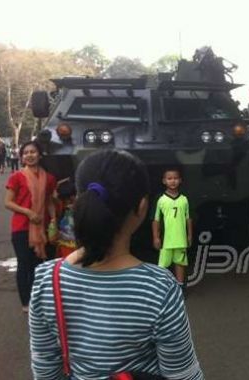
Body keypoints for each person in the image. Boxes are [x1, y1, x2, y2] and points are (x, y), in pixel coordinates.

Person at [29, 150, 204, 379]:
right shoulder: (159, 287)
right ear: (142, 207)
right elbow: (182, 374)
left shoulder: (46, 279)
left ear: (80, 199)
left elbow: (45, 370)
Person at [4, 141, 57, 313]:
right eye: (25, 153)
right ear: (22, 157)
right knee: (24, 264)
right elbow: (8, 203)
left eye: (33, 152)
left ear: (39, 155)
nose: (29, 155)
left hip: (42, 227)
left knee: (39, 266)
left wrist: (54, 220)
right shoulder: (17, 177)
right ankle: (25, 302)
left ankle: (37, 299)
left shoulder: (49, 178)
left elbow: (49, 201)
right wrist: (27, 212)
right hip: (21, 228)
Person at [152, 168, 193, 286]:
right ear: (164, 181)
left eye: (175, 178)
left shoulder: (184, 199)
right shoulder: (160, 199)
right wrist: (156, 237)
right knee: (163, 266)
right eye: (169, 179)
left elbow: (188, 218)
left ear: (180, 180)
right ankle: (163, 288)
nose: (173, 181)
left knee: (179, 263)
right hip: (166, 240)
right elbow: (156, 220)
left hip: (180, 239)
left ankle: (180, 287)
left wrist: (189, 235)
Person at [54, 179, 77, 258]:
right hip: (64, 247)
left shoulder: (80, 208)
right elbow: (53, 197)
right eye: (65, 200)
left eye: (71, 198)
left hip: (76, 246)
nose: (68, 202)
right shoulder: (61, 208)